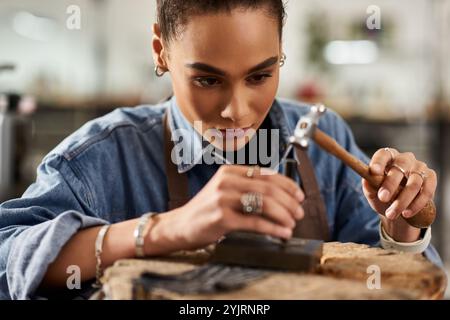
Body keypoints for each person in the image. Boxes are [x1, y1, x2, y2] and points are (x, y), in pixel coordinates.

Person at [0, 0, 441, 300]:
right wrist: (166, 230)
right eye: (207, 80)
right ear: (161, 51)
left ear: (281, 53)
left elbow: (393, 284)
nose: (237, 111)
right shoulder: (98, 159)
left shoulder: (325, 143)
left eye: (260, 76)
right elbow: (7, 258)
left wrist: (400, 228)